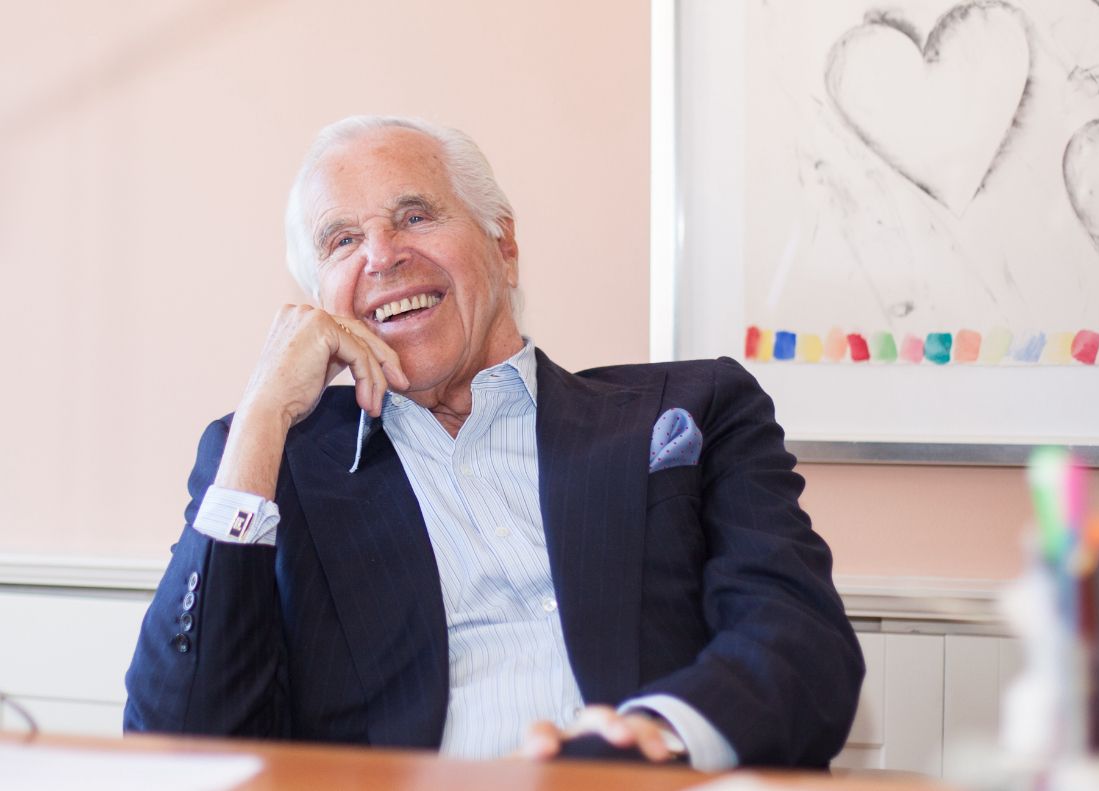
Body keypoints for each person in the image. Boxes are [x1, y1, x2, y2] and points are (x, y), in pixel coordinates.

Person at [123, 115, 863, 770]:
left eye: (414, 216)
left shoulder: (694, 407)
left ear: (504, 247)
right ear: (319, 299)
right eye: (342, 240)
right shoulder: (274, 461)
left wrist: (651, 738)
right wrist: (262, 414)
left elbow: (801, 642)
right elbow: (177, 740)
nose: (381, 255)